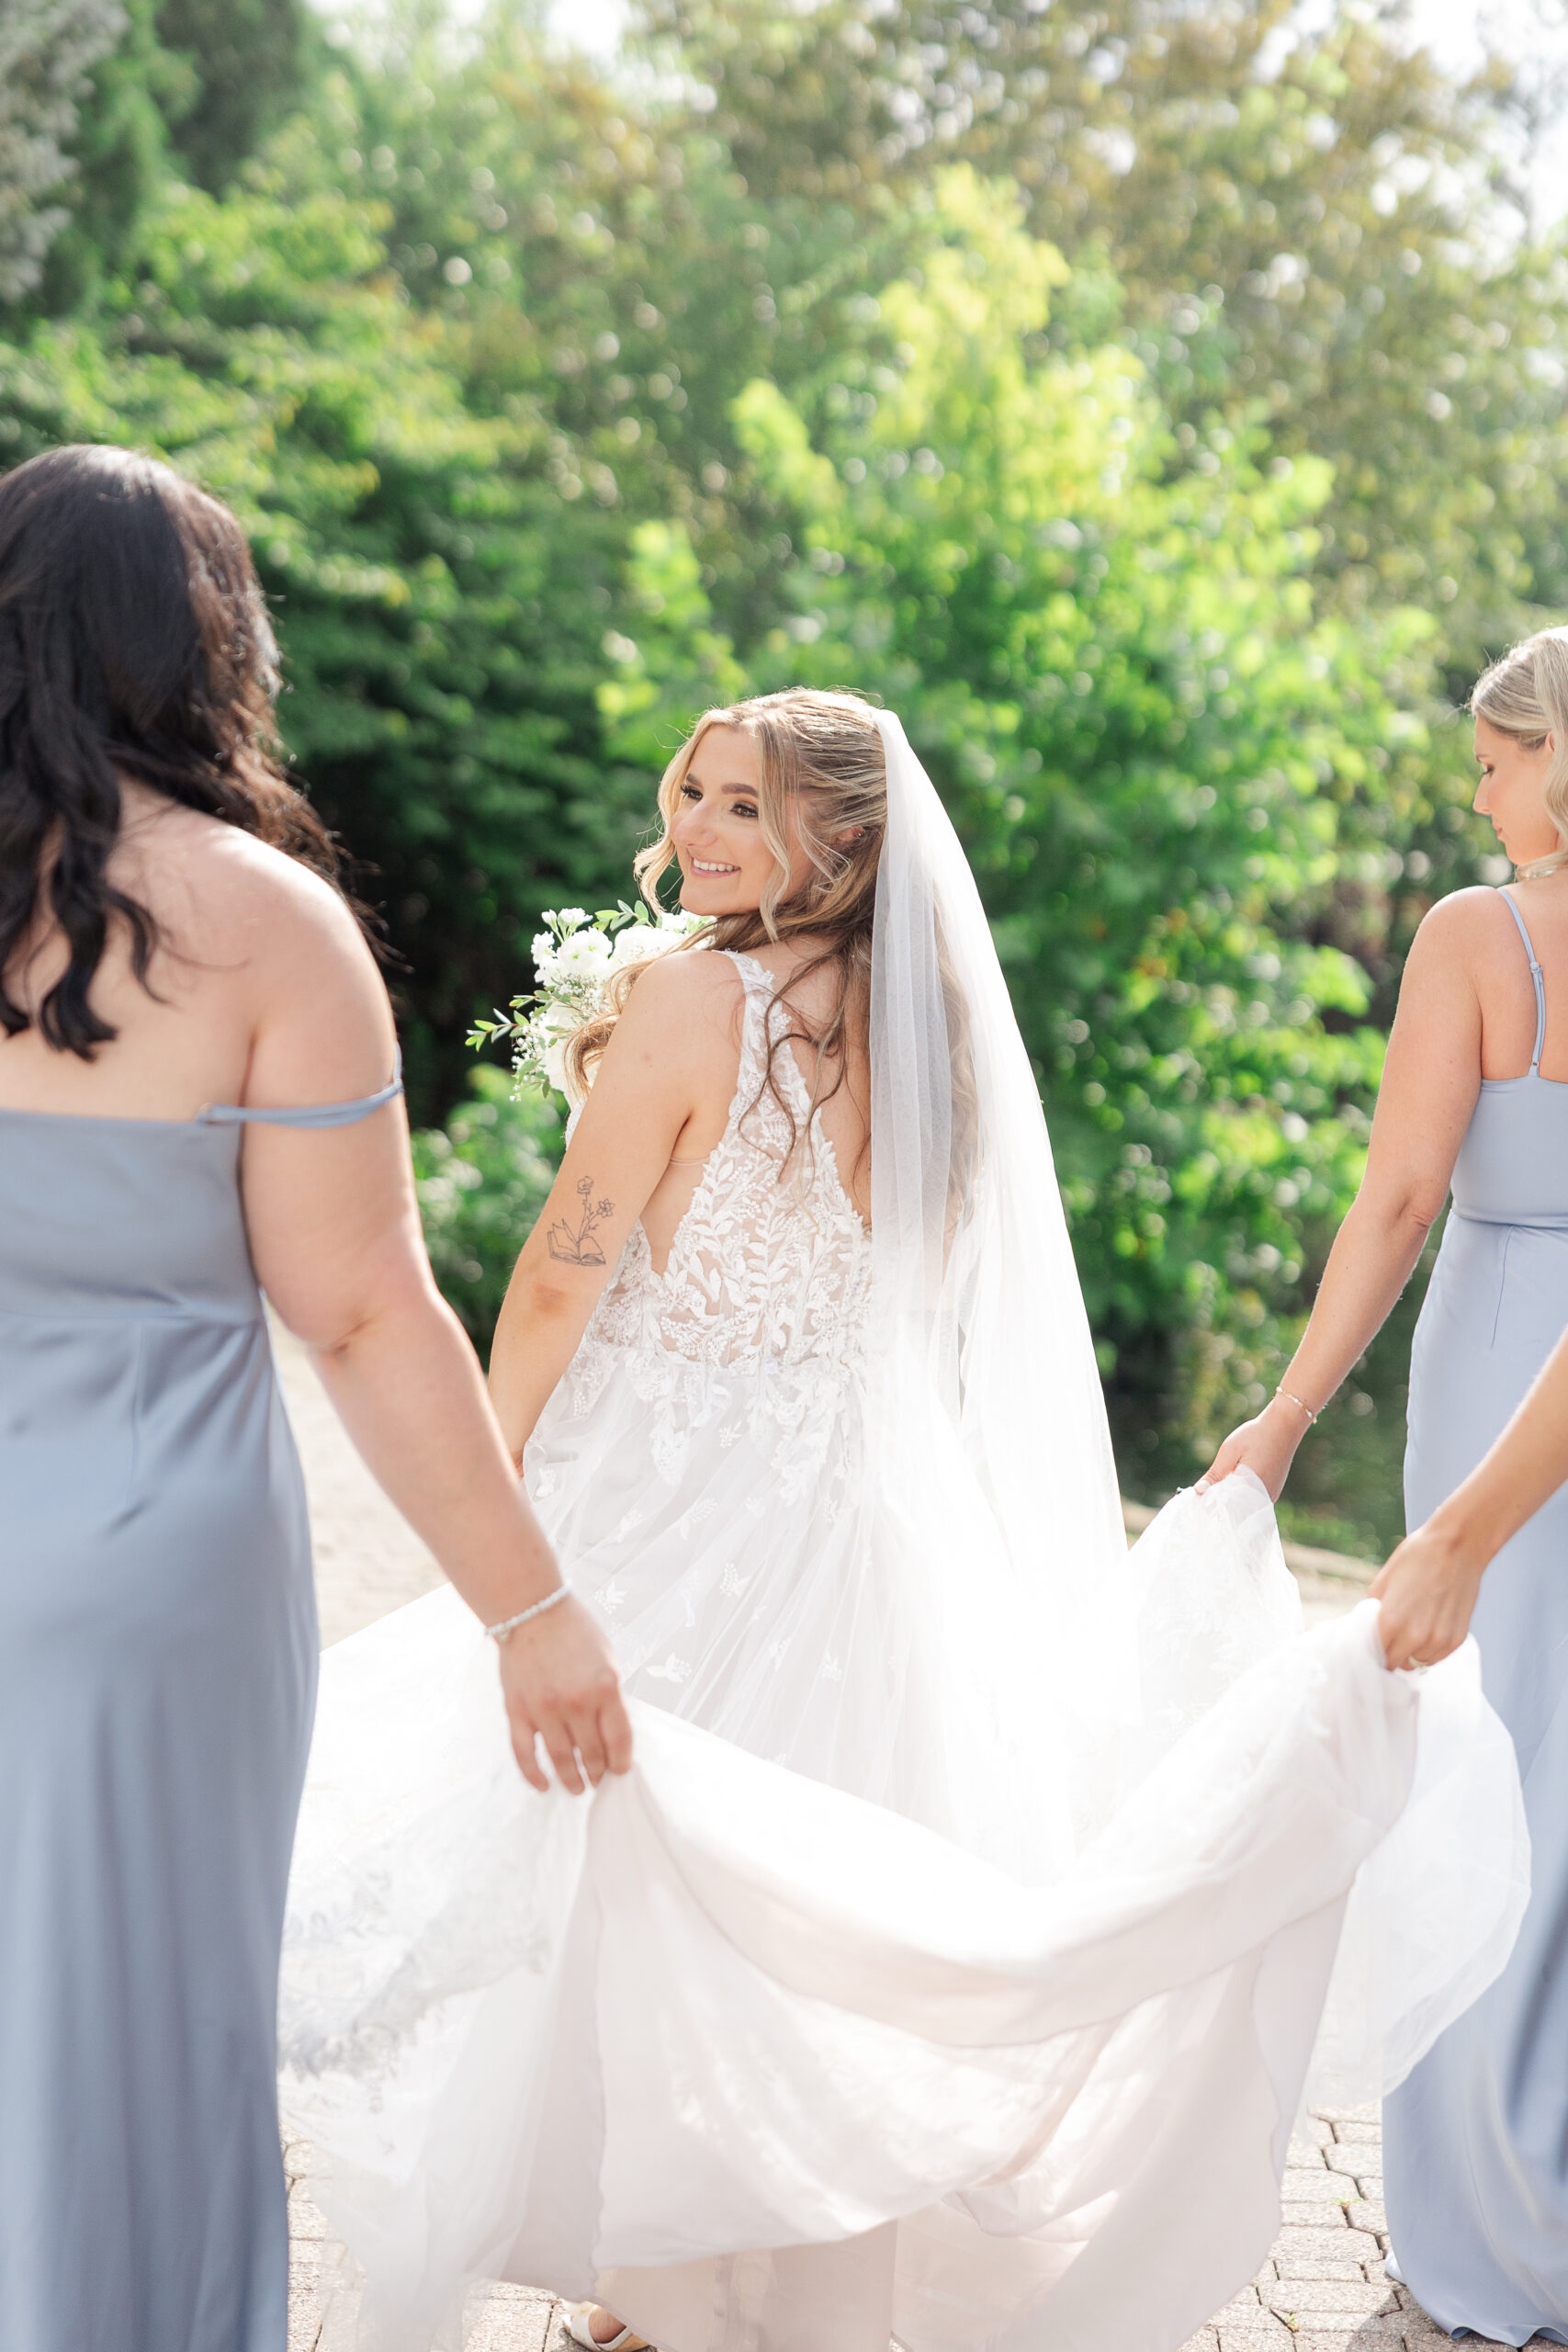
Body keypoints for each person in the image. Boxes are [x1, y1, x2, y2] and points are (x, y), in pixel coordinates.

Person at [281, 688, 1526, 2352]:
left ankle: (671, 2280)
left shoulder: (680, 1004)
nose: (702, 836)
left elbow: (563, 1274)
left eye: (747, 808)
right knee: (826, 1902)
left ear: (845, 839)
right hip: (874, 1520)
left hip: (674, 1498)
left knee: (635, 1894)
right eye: (698, 798)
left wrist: (487, 1505)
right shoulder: (932, 1024)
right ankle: (722, 2281)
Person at [0, 444, 629, 2352]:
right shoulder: (264, 921)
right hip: (146, 1574)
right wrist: (531, 1606)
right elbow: (358, 1311)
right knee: (135, 2026)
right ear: (209, 648)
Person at [1202, 626, 1568, 2343]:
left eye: (1497, 761)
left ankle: (1501, 2233)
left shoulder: (1485, 936)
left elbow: (1399, 1204)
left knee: (1494, 1771)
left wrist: (1281, 1419)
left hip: (1507, 1364)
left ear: (1556, 758)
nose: (1481, 792)